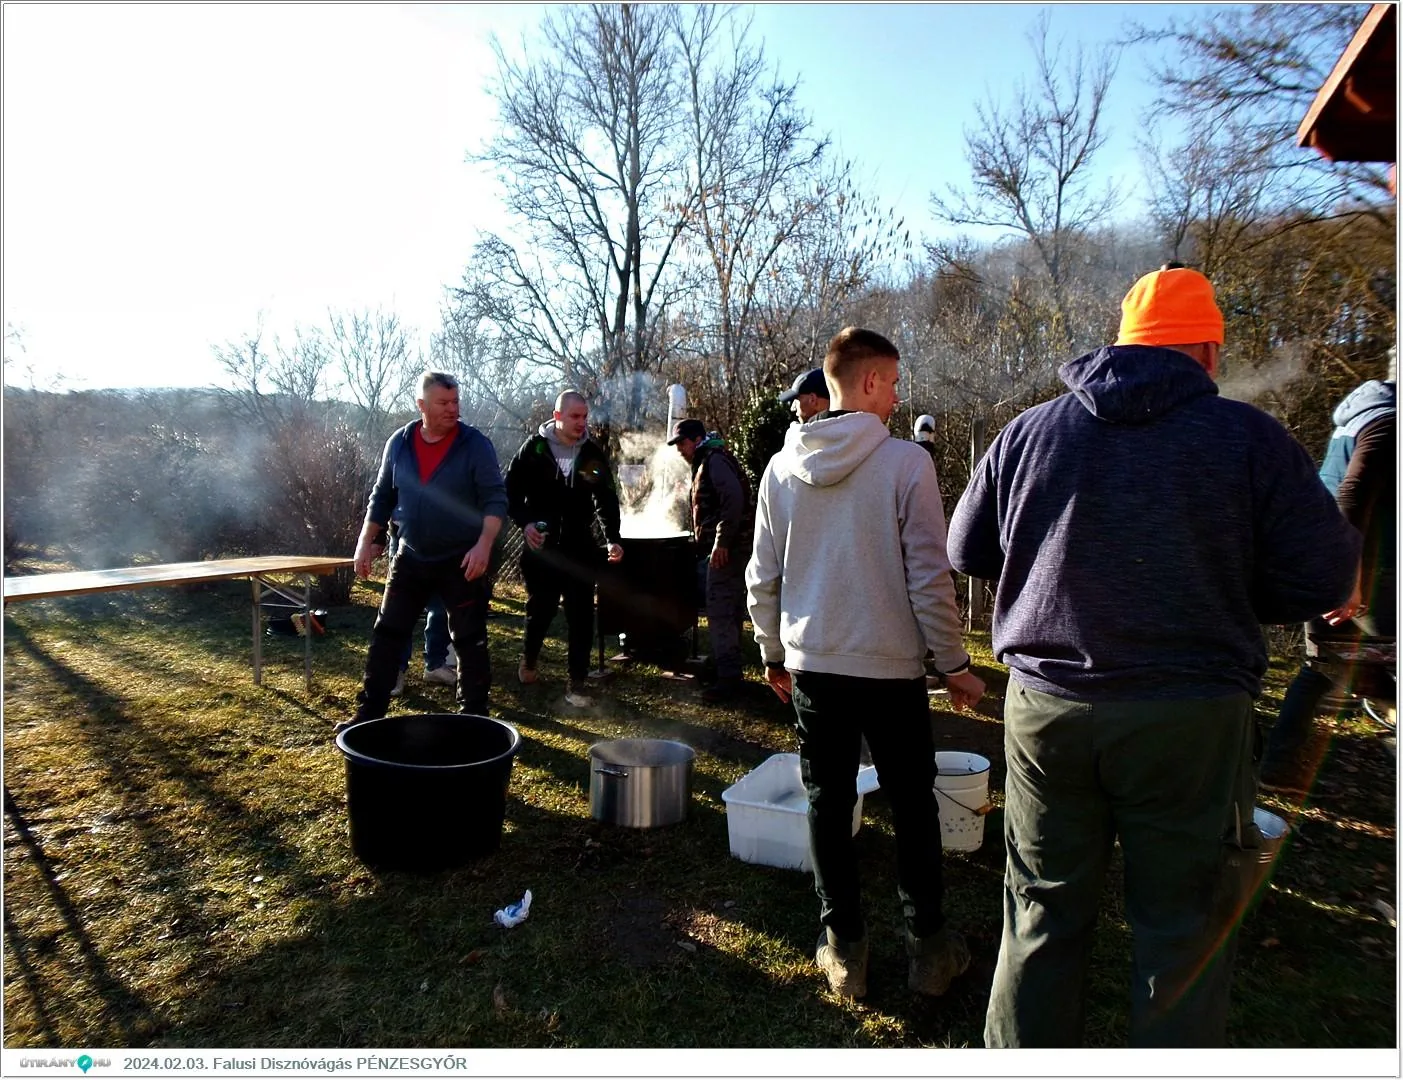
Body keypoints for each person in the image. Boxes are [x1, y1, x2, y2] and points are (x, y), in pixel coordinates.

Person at [947, 266, 1360, 1047]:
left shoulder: (1030, 431)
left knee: (1039, 907)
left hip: (1048, 713)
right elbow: (1325, 574)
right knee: (1180, 926)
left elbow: (965, 548)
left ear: (1122, 341)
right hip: (1188, 716)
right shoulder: (1248, 439)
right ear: (1206, 352)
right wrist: (1233, 594)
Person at [746, 326, 985, 1001]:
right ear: (871, 382)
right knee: (912, 807)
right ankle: (930, 953)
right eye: (895, 380)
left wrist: (771, 652)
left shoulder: (779, 467)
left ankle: (844, 954)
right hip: (890, 672)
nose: (899, 394)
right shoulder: (907, 463)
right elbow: (928, 579)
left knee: (828, 803)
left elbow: (761, 578)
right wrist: (952, 664)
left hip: (813, 665)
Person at [343, 371, 508, 732]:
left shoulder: (474, 444)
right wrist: (364, 541)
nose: (453, 409)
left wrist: (483, 545)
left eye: (456, 402)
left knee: (469, 638)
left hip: (462, 559)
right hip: (411, 556)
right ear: (422, 406)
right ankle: (369, 713)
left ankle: (475, 718)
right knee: (387, 632)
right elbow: (382, 496)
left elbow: (495, 499)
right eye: (443, 403)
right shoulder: (399, 443)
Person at [1259, 370, 1396, 791]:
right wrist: (1346, 576)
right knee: (1335, 665)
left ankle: (1276, 769)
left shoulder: (1353, 422)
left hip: (1322, 560)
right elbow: (1353, 492)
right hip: (1366, 575)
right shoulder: (1388, 423)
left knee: (1320, 668)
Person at [505, 390, 624, 708]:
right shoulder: (535, 449)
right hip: (542, 547)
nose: (581, 422)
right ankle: (529, 660)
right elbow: (510, 493)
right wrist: (526, 524)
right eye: (575, 416)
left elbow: (605, 498)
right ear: (557, 416)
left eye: (585, 416)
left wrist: (612, 537)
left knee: (582, 616)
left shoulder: (590, 454)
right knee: (540, 610)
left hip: (580, 548)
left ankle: (577, 683)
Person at [669, 417, 753, 704]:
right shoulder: (712, 458)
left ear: (694, 440)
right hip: (730, 548)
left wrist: (721, 542)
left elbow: (733, 499)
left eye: (681, 443)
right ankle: (726, 671)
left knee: (720, 611)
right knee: (728, 611)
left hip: (727, 551)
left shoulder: (714, 461)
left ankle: (728, 682)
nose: (679, 449)